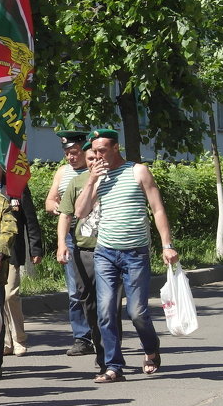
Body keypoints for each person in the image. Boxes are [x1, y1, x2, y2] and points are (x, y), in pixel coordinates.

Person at [73, 128, 179, 384]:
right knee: (106, 312)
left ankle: (151, 348)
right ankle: (113, 366)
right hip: (105, 253)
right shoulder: (97, 177)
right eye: (94, 152)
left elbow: (157, 208)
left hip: (135, 253)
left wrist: (167, 245)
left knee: (137, 311)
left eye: (102, 151)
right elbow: (80, 212)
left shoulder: (138, 171)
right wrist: (91, 181)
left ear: (115, 148)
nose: (97, 156)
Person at [0, 153, 43, 359]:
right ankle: (4, 342)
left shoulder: (15, 188)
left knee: (10, 295)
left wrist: (36, 248)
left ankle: (18, 339)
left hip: (11, 253)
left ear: (2, 167)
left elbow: (30, 219)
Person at [55, 143, 106, 375]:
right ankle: (95, 343)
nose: (95, 161)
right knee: (89, 301)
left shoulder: (118, 177)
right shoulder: (77, 182)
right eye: (91, 158)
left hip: (111, 249)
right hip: (83, 249)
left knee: (109, 302)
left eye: (98, 156)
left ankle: (108, 355)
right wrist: (61, 245)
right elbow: (68, 214)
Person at [45, 130, 95, 356]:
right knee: (75, 289)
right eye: (67, 154)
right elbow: (50, 200)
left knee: (101, 289)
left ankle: (103, 333)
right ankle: (82, 338)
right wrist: (56, 207)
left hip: (97, 234)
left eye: (74, 153)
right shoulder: (63, 172)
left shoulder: (95, 170)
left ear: (85, 150)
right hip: (71, 235)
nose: (70, 157)